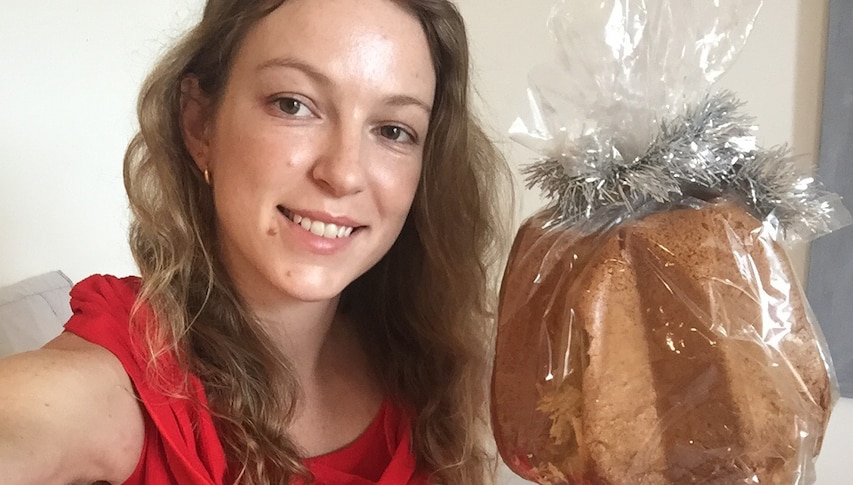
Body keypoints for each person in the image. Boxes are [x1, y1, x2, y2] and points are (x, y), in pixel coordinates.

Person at [0, 0, 513, 484]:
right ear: (200, 123)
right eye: (294, 104)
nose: (344, 174)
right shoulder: (123, 380)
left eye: (394, 131)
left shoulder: (425, 368)